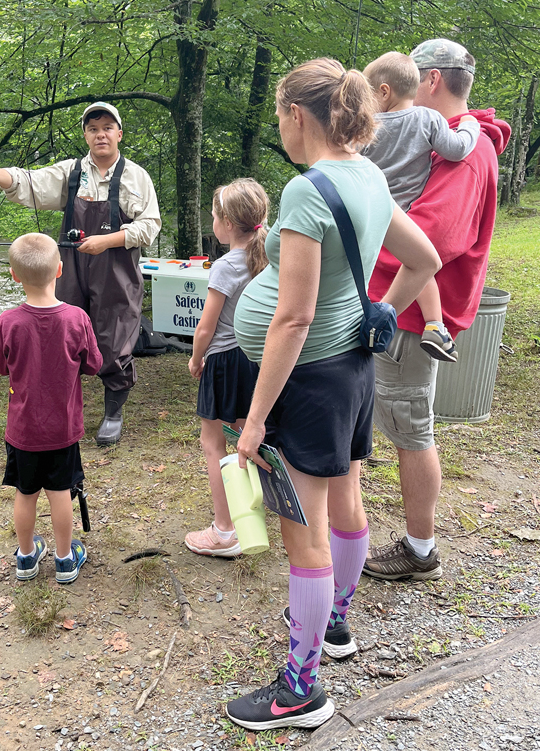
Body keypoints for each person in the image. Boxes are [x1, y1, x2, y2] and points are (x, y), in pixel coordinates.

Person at [224, 58, 441, 731]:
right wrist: (384, 309)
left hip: (309, 382)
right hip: (348, 369)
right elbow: (426, 258)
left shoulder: (309, 189)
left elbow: (292, 316)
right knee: (345, 500)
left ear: (296, 115)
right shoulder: (367, 173)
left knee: (305, 535)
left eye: (279, 117)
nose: (279, 128)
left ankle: (300, 692)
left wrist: (254, 420)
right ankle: (336, 620)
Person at [362, 39, 511, 582]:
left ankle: (421, 549)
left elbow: (433, 240)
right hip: (394, 307)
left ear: (429, 81)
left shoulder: (468, 153)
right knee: (396, 423)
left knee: (409, 429)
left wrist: (385, 307)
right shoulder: (434, 140)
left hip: (402, 316)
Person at [0, 102, 161, 446]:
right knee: (61, 335)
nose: (101, 134)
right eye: (93, 128)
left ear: (119, 134)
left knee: (113, 339)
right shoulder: (71, 173)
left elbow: (149, 226)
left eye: (107, 127)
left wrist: (106, 241)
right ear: (86, 135)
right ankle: (62, 406)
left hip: (117, 268)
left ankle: (113, 410)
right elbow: (30, 183)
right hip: (71, 267)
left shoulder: (136, 176)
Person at [0, 233, 103, 584]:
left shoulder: (8, 322)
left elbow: (0, 366)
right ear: (59, 270)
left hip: (23, 431)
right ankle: (65, 559)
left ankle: (26, 557)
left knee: (25, 494)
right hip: (63, 429)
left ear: (14, 275)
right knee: (60, 495)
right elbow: (94, 365)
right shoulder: (77, 318)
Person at [362, 51, 481, 363]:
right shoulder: (428, 120)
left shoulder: (367, 129)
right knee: (419, 262)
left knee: (409, 262)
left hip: (373, 212)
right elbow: (456, 150)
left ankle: (427, 324)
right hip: (405, 212)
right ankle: (435, 324)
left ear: (384, 91)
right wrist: (471, 125)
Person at [182, 178, 270, 558]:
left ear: (227, 224)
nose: (212, 221)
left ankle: (225, 529)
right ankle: (263, 510)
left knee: (213, 442)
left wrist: (195, 357)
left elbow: (206, 326)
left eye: (215, 215)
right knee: (249, 432)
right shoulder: (270, 258)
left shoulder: (225, 265)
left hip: (223, 360)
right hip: (258, 359)